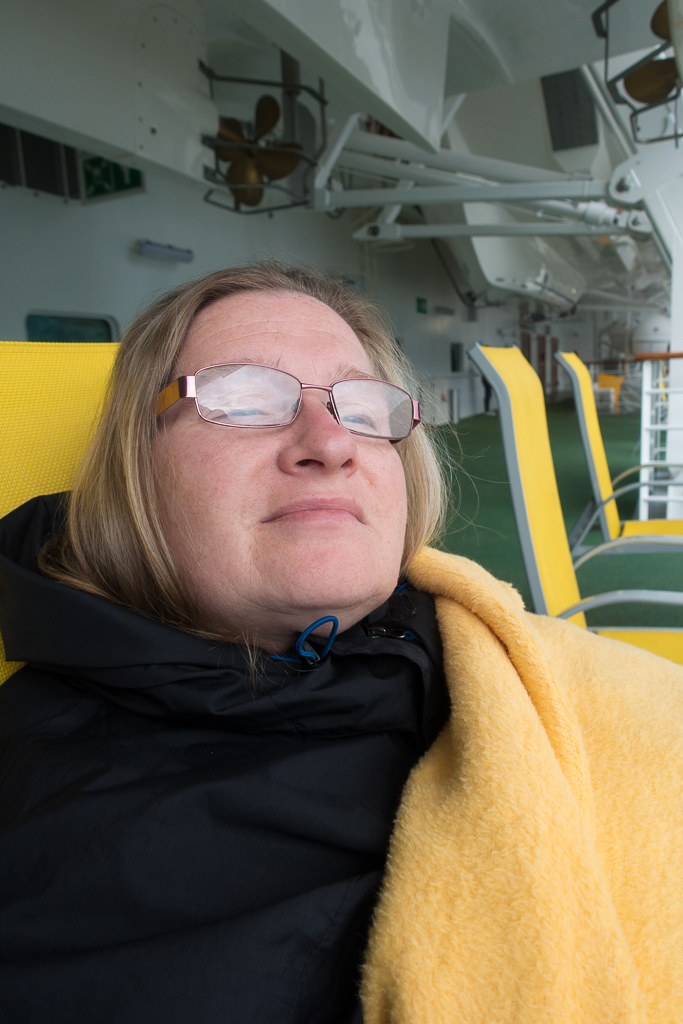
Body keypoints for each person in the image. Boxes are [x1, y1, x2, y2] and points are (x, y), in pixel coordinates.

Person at [0, 263, 681, 1024]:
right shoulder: (46, 830)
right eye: (244, 398)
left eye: (361, 407)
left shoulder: (488, 652)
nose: (330, 442)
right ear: (135, 466)